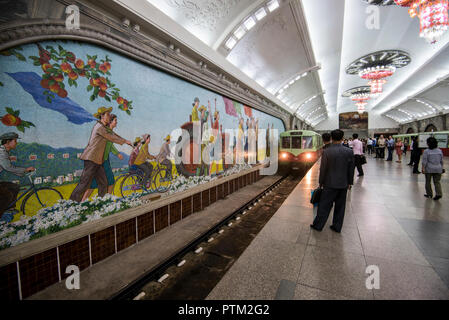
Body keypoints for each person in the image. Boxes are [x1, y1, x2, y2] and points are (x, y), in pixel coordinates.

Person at [70, 107, 131, 202]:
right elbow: (110, 137)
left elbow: (113, 134)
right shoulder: (99, 127)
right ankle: (72, 203)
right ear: (102, 116)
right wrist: (124, 141)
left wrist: (125, 140)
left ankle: (101, 202)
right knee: (84, 183)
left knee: (103, 182)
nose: (109, 116)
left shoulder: (103, 127)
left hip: (98, 160)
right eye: (108, 115)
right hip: (91, 159)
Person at [310, 129, 355, 233]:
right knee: (340, 206)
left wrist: (321, 182)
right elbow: (351, 168)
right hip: (343, 184)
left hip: (329, 184)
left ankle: (318, 225)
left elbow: (323, 169)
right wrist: (350, 182)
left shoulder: (327, 151)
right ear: (342, 138)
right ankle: (337, 227)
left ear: (331, 138)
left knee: (324, 206)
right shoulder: (349, 151)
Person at [81, 114, 124, 201]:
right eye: (115, 120)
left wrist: (117, 153)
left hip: (104, 159)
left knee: (107, 181)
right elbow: (109, 144)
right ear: (110, 122)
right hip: (101, 159)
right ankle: (103, 199)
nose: (117, 122)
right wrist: (117, 153)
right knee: (100, 182)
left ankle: (106, 199)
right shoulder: (106, 131)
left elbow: (110, 144)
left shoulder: (109, 132)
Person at [0, 132, 35, 219]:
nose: (16, 143)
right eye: (15, 141)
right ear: (8, 142)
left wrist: (23, 172)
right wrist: (25, 170)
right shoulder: (2, 152)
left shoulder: (5, 151)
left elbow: (9, 168)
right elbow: (8, 167)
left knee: (14, 187)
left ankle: (9, 209)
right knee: (7, 195)